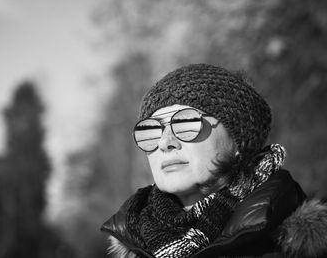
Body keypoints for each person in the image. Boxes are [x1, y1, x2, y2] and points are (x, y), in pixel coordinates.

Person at [100, 63, 327, 258]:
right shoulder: (134, 242)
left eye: (186, 123)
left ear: (239, 142)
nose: (165, 142)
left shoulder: (297, 245)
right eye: (151, 130)